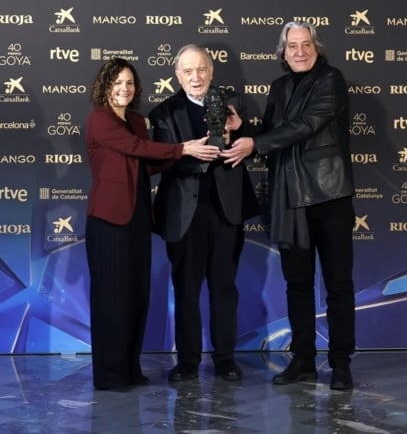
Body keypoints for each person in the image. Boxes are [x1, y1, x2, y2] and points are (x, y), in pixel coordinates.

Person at [221, 21, 357, 391]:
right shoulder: (279, 87)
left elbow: (306, 125)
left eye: (306, 44)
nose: (299, 51)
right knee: (297, 285)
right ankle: (303, 360)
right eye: (292, 45)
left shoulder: (331, 79)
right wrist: (245, 129)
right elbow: (272, 133)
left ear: (317, 48)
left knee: (338, 284)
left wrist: (257, 144)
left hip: (329, 195)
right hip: (289, 198)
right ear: (282, 52)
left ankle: (341, 363)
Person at [84, 58, 219, 392]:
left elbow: (147, 163)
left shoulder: (136, 120)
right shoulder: (100, 119)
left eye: (129, 83)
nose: (124, 89)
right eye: (117, 82)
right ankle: (111, 375)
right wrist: (181, 147)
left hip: (137, 217)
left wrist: (186, 153)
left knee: (135, 296)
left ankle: (130, 369)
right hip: (108, 220)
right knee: (111, 299)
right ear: (104, 85)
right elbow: (135, 148)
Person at [148, 45, 259, 383]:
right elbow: (164, 161)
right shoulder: (163, 113)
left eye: (201, 70)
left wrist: (239, 134)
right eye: (187, 71)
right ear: (177, 76)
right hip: (184, 214)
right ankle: (188, 362)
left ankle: (226, 359)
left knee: (224, 288)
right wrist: (192, 153)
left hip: (226, 211)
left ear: (211, 72)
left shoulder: (234, 105)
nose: (195, 77)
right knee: (186, 290)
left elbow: (256, 146)